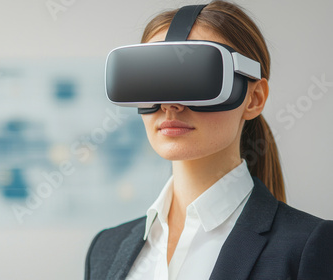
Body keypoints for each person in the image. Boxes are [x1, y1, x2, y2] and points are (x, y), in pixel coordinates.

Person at [85, 1, 333, 279]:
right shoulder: (104, 249)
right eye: (152, 80)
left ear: (254, 98)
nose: (170, 104)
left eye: (195, 79)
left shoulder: (308, 246)